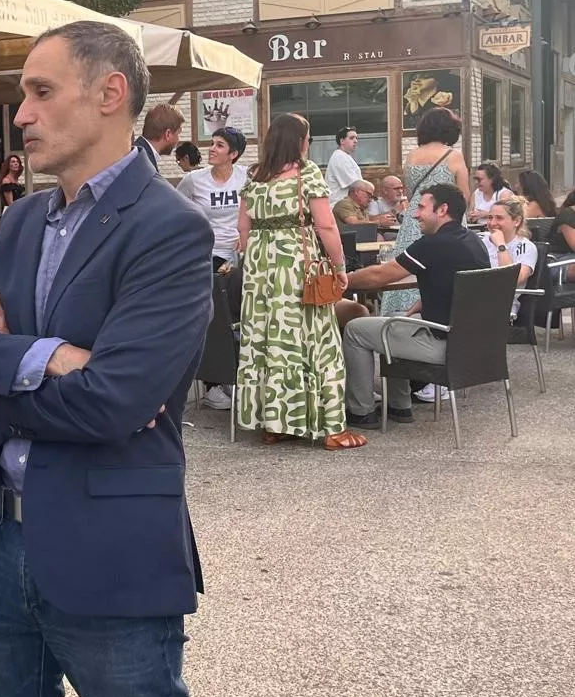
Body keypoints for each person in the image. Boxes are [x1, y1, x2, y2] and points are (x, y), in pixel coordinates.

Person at [0, 21, 210, 697]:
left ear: (110, 93)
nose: (20, 115)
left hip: (110, 546)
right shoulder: (21, 223)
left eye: (40, 92)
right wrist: (45, 356)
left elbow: (113, 404)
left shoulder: (170, 228)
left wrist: (1, 372)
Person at [235, 113, 364, 450]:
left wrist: (259, 258)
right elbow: (326, 226)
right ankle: (332, 428)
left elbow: (242, 229)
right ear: (300, 141)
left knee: (268, 342)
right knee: (315, 339)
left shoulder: (254, 176)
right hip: (297, 268)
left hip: (260, 271)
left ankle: (275, 423)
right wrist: (339, 266)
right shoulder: (306, 174)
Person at [343, 184, 488, 428]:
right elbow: (460, 287)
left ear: (442, 210)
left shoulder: (432, 244)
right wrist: (426, 301)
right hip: (472, 344)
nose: (415, 214)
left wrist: (343, 280)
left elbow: (380, 276)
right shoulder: (473, 241)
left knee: (356, 330)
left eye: (421, 207)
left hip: (443, 345)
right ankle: (399, 407)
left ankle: (361, 411)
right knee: (394, 319)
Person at [382, 107, 471, 316]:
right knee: (443, 267)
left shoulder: (412, 156)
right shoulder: (454, 156)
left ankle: (402, 314)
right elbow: (464, 195)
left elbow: (412, 193)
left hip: (415, 218)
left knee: (407, 267)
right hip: (445, 218)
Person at [177, 126, 248, 271]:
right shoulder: (193, 179)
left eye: (219, 145)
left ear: (233, 154)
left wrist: (248, 235)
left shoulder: (247, 176)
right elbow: (174, 210)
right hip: (206, 255)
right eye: (212, 143)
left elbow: (257, 210)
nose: (211, 149)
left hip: (240, 254)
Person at [481, 197, 538, 320]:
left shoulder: (526, 247)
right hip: (475, 298)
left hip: (502, 307)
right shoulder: (481, 241)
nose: (492, 223)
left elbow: (512, 279)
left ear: (516, 221)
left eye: (499, 218)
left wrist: (501, 245)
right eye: (490, 217)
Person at [133, 103, 184, 174]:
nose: (178, 139)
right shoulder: (142, 162)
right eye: (178, 134)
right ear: (168, 134)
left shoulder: (137, 154)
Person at [325, 126, 362, 204]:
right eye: (352, 138)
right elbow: (355, 184)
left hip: (347, 205)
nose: (356, 141)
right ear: (342, 141)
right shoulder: (339, 157)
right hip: (340, 206)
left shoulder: (345, 156)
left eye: (356, 138)